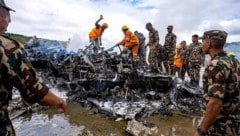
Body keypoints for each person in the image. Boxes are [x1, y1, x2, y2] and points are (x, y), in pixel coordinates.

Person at [0, 1, 67, 135]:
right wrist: (59, 101)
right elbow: (35, 92)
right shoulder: (8, 47)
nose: (10, 20)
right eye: (7, 15)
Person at [195, 30, 240, 136]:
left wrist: (201, 130)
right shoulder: (234, 61)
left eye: (203, 42)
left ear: (208, 43)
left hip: (221, 127)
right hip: (235, 123)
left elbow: (215, 102)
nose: (202, 45)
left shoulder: (215, 65)